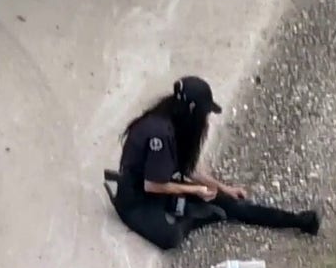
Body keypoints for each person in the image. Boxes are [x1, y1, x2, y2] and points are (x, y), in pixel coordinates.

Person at [110, 76, 321, 251]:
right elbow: (153, 184)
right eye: (205, 113)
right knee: (170, 237)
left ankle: (298, 221)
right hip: (137, 198)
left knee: (231, 203)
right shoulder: (160, 133)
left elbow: (188, 168)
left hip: (160, 187)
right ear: (192, 111)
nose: (206, 118)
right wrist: (197, 191)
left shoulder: (176, 122)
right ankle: (199, 217)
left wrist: (223, 188)